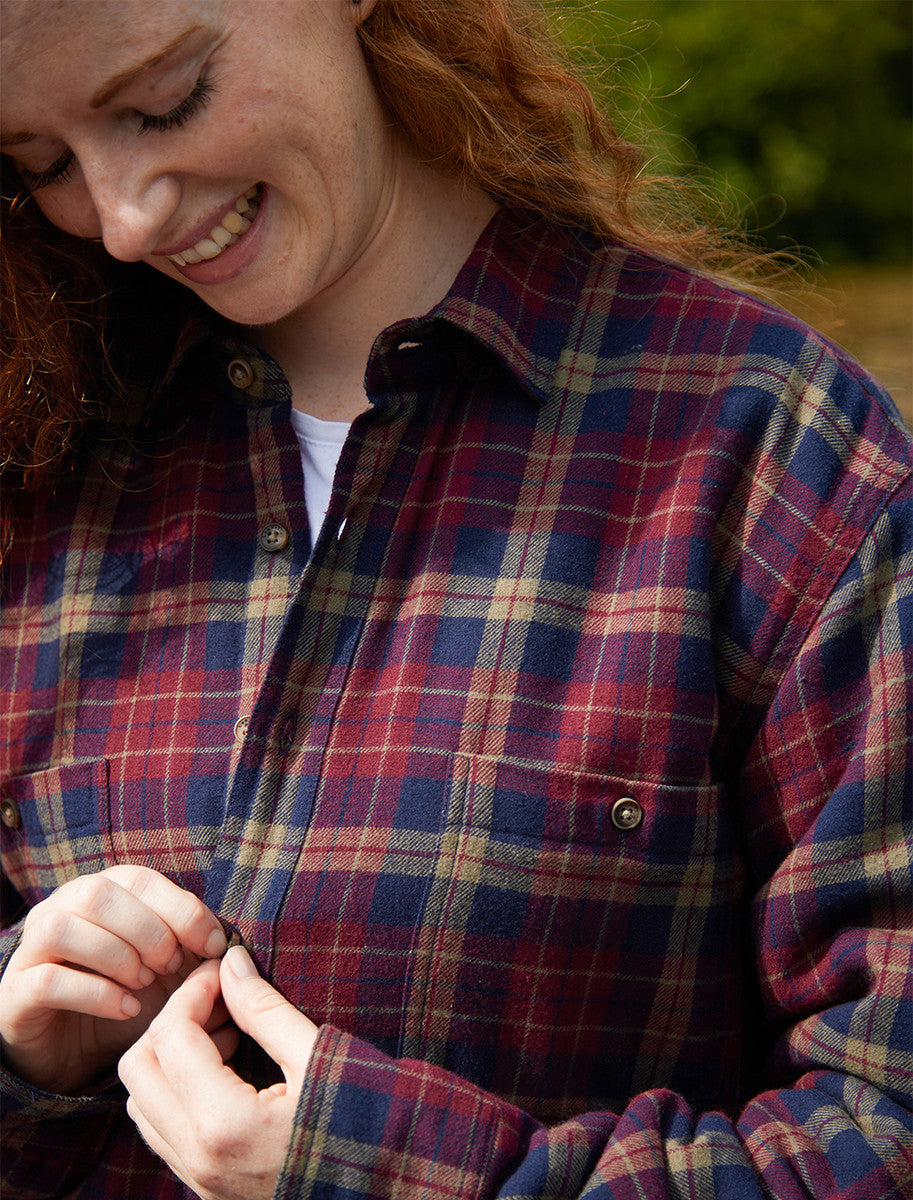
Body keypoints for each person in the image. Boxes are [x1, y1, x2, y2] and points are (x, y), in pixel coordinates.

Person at [1, 1, 910, 1197]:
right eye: (47, 164)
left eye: (165, 100)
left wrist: (413, 1177)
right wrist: (26, 1063)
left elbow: (881, 1131)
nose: (123, 220)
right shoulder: (38, 470)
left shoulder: (771, 454)